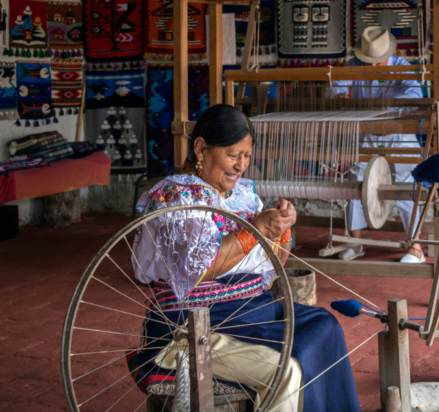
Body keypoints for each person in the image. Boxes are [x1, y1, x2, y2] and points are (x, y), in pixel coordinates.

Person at [130, 104, 360, 412]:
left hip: (250, 311)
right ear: (201, 148)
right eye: (232, 154)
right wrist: (258, 228)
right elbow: (203, 267)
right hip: (194, 325)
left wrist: (279, 229)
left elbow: (273, 263)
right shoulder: (176, 197)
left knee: (325, 327)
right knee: (286, 371)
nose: (240, 166)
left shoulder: (242, 196)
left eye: (247, 156)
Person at [330, 26, 425, 263]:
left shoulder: (402, 67)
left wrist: (388, 108)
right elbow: (337, 85)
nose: (371, 66)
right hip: (367, 135)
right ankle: (356, 242)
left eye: (377, 62)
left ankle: (415, 246)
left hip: (399, 135)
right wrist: (339, 95)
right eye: (367, 61)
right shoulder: (354, 66)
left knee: (406, 186)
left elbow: (414, 97)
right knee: (357, 185)